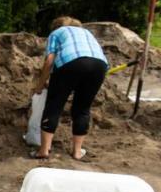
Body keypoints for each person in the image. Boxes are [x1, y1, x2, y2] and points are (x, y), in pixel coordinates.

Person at [30, 16, 108, 161]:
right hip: (99, 65)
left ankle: (44, 150)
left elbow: (49, 60)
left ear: (56, 26)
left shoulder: (56, 33)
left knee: (54, 105)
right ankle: (77, 152)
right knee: (82, 108)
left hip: (71, 62)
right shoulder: (87, 33)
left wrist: (40, 85)